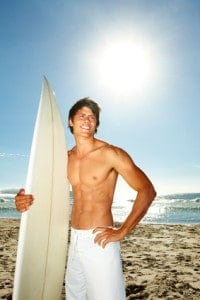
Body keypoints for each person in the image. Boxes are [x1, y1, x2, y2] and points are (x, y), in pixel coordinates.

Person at [15, 98, 156, 300]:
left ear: (96, 124)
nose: (87, 120)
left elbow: (147, 190)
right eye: (82, 115)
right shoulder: (64, 158)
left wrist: (122, 231)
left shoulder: (111, 154)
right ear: (71, 121)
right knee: (75, 296)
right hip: (74, 240)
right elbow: (42, 191)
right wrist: (22, 199)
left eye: (92, 117)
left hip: (99, 241)